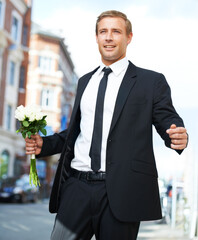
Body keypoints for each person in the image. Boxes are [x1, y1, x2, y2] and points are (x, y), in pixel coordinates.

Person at [25, 10, 188, 240]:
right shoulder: (85, 82)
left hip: (123, 191)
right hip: (77, 187)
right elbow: (75, 134)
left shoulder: (151, 82)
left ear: (128, 37)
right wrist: (45, 144)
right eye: (103, 31)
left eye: (116, 31)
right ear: (97, 37)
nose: (108, 37)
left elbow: (167, 120)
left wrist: (178, 134)